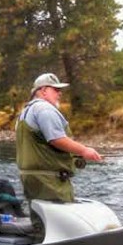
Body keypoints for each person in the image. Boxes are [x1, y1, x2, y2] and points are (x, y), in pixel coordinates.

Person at [15, 73, 103, 205]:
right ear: (43, 90)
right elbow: (56, 139)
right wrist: (84, 151)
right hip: (50, 182)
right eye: (56, 90)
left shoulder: (25, 112)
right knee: (61, 222)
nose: (60, 93)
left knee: (41, 220)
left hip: (32, 179)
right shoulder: (44, 109)